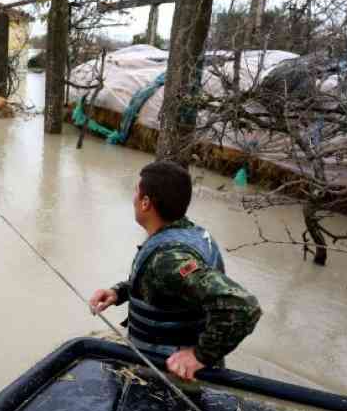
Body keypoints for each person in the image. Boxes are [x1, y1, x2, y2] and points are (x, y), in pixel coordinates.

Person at [89, 160, 262, 381]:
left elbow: (243, 306)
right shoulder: (192, 234)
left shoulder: (168, 258)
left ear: (145, 203)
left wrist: (201, 355)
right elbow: (172, 289)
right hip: (174, 370)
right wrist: (118, 293)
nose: (132, 198)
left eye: (136, 191)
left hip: (169, 375)